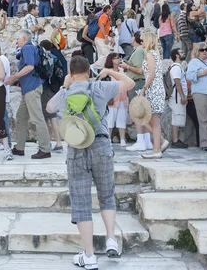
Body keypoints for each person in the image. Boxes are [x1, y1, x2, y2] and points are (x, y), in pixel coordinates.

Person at [46, 56, 134, 269]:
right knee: (106, 195)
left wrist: (64, 86)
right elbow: (129, 83)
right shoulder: (99, 88)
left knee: (82, 203)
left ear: (70, 72)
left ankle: (89, 255)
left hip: (77, 149)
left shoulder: (66, 92)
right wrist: (110, 72)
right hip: (101, 145)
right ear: (88, 71)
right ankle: (111, 238)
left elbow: (49, 108)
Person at [6, 29, 52, 159]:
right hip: (29, 88)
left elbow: (30, 66)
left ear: (24, 38)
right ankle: (20, 147)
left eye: (18, 39)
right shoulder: (31, 48)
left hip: (32, 88)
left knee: (37, 118)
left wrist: (14, 77)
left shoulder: (27, 48)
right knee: (20, 117)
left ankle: (45, 149)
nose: (16, 41)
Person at [135, 32, 168, 158]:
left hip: (153, 89)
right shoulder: (154, 54)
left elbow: (152, 74)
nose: (141, 42)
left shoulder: (149, 54)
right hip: (156, 89)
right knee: (151, 119)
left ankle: (156, 149)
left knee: (153, 120)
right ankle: (160, 143)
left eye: (143, 40)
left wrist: (144, 88)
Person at [121, 32, 151, 151]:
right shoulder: (141, 51)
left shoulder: (138, 51)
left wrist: (127, 67)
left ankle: (140, 141)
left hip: (137, 83)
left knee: (137, 112)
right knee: (143, 112)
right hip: (140, 83)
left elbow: (139, 70)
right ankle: (147, 140)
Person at [101, 53, 129, 147]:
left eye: (118, 58)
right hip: (111, 98)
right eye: (116, 58)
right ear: (111, 60)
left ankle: (122, 139)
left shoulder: (121, 70)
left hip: (122, 97)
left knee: (122, 119)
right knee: (110, 119)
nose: (118, 59)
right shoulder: (106, 71)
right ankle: (108, 139)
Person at [169, 49, 189, 148]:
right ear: (176, 55)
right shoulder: (176, 68)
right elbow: (177, 82)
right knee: (176, 116)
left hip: (177, 96)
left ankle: (176, 139)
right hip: (177, 96)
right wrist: (182, 96)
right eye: (181, 52)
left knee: (177, 117)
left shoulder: (177, 67)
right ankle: (175, 140)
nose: (183, 53)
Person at [93, 5, 113, 71]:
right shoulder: (105, 16)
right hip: (101, 38)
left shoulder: (104, 16)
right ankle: (94, 66)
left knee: (101, 56)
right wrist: (106, 37)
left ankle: (101, 71)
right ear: (108, 9)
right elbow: (102, 26)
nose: (112, 11)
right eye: (111, 9)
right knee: (106, 54)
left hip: (99, 38)